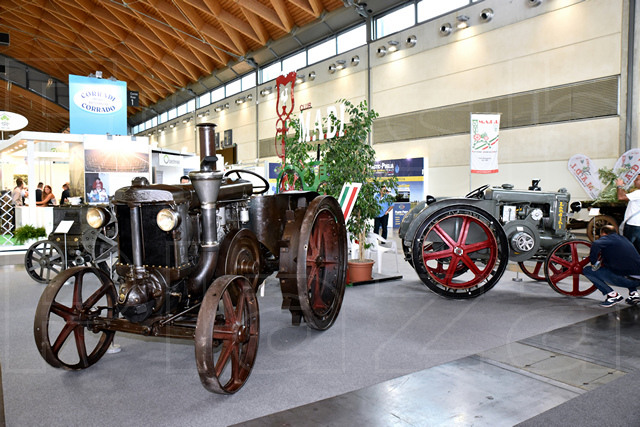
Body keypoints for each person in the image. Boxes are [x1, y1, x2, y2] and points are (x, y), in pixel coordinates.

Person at [582, 224, 640, 307]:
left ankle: (612, 295)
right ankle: (634, 293)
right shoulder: (623, 239)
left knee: (587, 270)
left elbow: (596, 244)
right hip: (637, 281)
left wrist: (593, 262)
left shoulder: (606, 238)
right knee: (626, 265)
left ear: (603, 233)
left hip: (626, 280)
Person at [616, 175, 640, 253]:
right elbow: (626, 196)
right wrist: (622, 188)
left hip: (633, 225)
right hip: (637, 225)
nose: (634, 181)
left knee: (627, 249)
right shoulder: (637, 193)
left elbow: (620, 197)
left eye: (637, 180)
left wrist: (619, 186)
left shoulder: (638, 193)